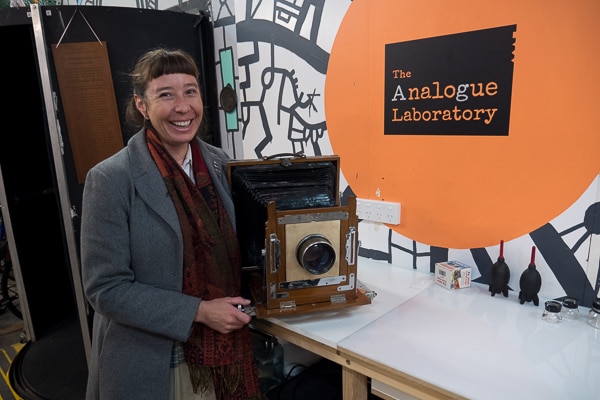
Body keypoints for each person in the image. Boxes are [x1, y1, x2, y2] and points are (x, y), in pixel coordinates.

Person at [80, 48, 261, 400]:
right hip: (156, 361)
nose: (183, 106)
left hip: (227, 350)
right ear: (142, 106)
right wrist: (199, 311)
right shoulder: (111, 179)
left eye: (190, 91)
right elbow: (106, 289)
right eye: (166, 94)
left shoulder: (220, 163)